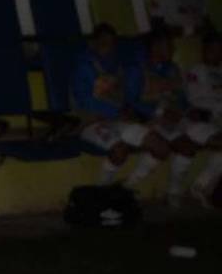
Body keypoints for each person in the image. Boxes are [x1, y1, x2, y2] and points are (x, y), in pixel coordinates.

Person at [71, 23, 170, 190]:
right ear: (94, 44)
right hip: (92, 123)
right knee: (120, 150)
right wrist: (117, 111)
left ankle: (127, 187)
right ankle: (102, 193)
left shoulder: (120, 68)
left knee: (161, 146)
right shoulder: (83, 67)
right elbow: (84, 101)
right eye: (103, 44)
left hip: (119, 121)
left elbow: (131, 100)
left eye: (111, 45)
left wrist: (149, 113)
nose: (108, 50)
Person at [126, 29, 196, 205]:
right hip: (148, 119)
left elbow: (182, 98)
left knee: (188, 146)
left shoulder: (172, 69)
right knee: (161, 147)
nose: (173, 49)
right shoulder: (137, 69)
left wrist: (182, 110)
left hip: (172, 119)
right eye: (169, 46)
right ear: (156, 47)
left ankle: (174, 190)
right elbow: (131, 101)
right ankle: (127, 187)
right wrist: (158, 112)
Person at [183, 32, 222, 205]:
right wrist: (217, 107)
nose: (215, 53)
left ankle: (203, 187)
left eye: (218, 49)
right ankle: (200, 187)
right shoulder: (196, 70)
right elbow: (194, 99)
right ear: (204, 50)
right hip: (201, 119)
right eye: (211, 49)